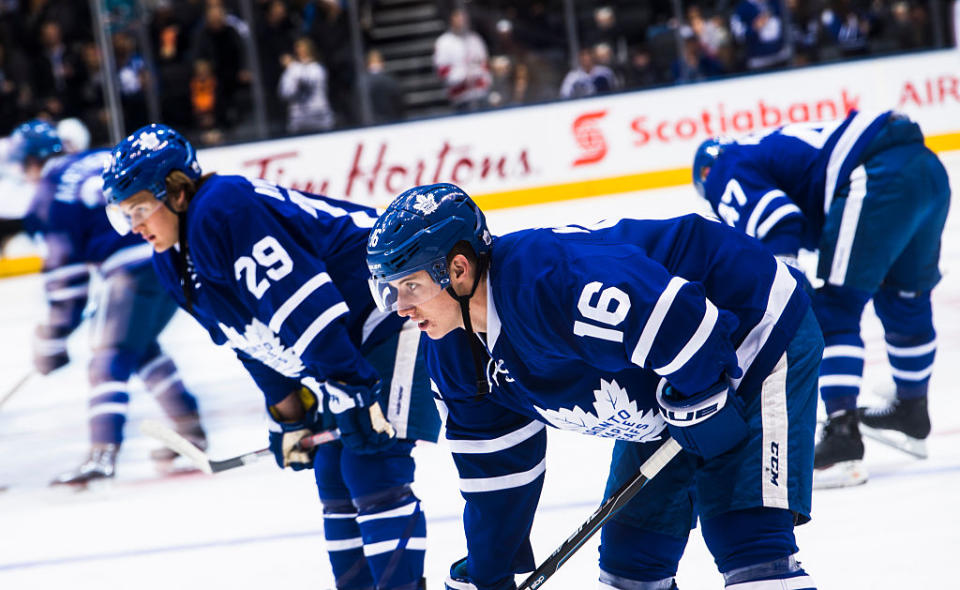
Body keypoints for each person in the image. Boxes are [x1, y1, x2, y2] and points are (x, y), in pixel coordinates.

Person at [366, 183, 822, 590]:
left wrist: (701, 399)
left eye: (411, 286)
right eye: (388, 291)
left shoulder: (547, 282)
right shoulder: (452, 353)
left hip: (750, 332)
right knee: (632, 558)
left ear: (459, 269)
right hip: (671, 383)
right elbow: (497, 477)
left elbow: (676, 316)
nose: (400, 308)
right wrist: (489, 575)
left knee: (747, 538)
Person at [101, 124, 440, 590]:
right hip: (342, 340)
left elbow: (308, 307)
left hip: (392, 307)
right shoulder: (170, 256)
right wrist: (291, 416)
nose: (134, 226)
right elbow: (252, 341)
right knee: (333, 475)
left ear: (177, 190)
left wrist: (352, 388)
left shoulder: (223, 208)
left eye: (139, 208)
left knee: (371, 461)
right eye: (123, 215)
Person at [692, 110, 950, 488]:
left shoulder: (722, 170)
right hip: (926, 169)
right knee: (904, 299)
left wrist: (783, 294)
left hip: (876, 174)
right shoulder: (761, 149)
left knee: (833, 311)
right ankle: (912, 409)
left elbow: (778, 221)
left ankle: (843, 436)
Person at [4, 119, 207, 486]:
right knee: (140, 347)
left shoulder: (47, 194)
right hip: (171, 253)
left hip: (131, 271)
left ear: (31, 162)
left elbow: (67, 281)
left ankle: (102, 454)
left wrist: (53, 338)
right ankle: (191, 430)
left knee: (108, 356)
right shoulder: (99, 158)